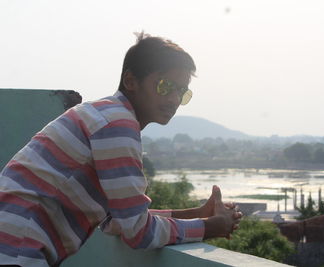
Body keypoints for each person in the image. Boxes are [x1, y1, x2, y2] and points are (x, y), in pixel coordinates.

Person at [0, 33, 242, 267]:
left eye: (181, 91)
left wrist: (197, 213)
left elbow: (116, 220)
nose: (173, 98)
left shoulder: (103, 114)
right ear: (130, 81)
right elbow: (138, 231)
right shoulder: (117, 124)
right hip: (15, 251)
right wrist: (213, 227)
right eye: (164, 86)